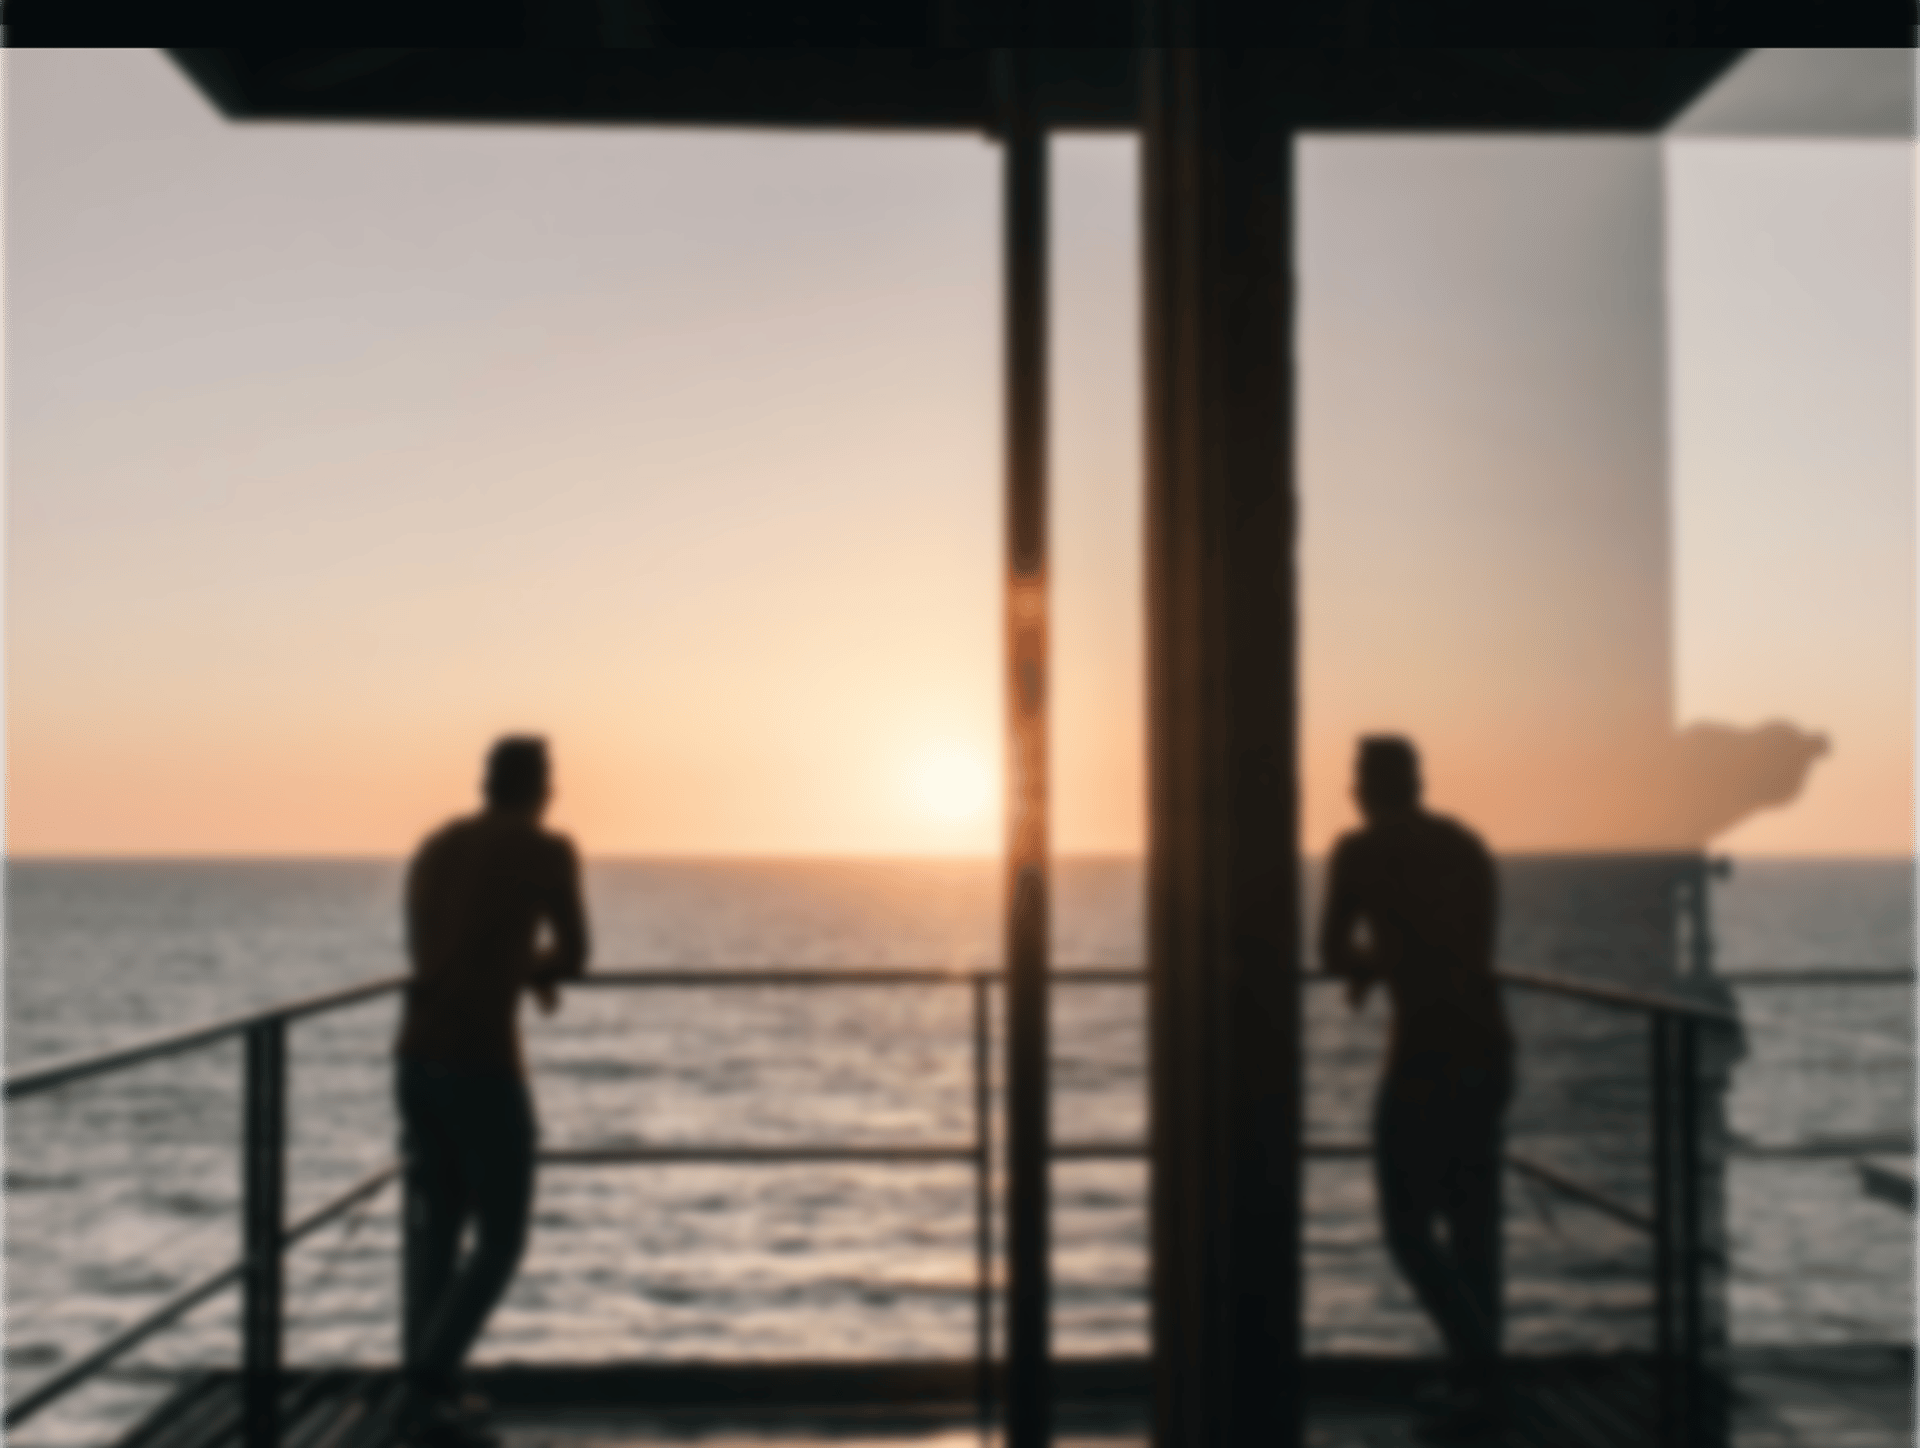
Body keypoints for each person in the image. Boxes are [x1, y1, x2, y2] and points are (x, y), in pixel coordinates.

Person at [395, 736, 589, 1447]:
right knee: (502, 1236)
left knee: (440, 1228)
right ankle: (426, 1379)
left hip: (414, 1058)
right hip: (482, 1060)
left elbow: (431, 949)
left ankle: (426, 1393)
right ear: (542, 788)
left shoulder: (436, 846)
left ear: (485, 785)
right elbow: (575, 953)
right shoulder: (546, 849)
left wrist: (510, 963)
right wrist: (534, 972)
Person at [1319, 737, 1513, 1443]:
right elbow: (1472, 950)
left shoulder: (1358, 852)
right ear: (1419, 783)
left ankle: (1483, 1369)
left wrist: (1371, 965)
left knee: (1405, 1229)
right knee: (1472, 1226)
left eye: (1356, 779)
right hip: (1488, 1047)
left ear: (1367, 788)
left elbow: (1332, 951)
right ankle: (1477, 1385)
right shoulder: (1466, 846)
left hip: (1422, 1054)